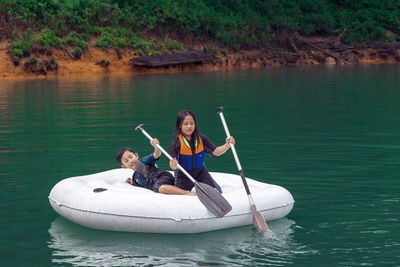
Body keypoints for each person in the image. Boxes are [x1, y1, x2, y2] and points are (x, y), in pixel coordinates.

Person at [169, 109, 235, 193]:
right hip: (184, 175)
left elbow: (216, 151)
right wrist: (173, 164)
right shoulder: (176, 142)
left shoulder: (201, 138)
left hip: (200, 172)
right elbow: (172, 165)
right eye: (185, 124)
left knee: (217, 192)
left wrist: (227, 145)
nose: (189, 126)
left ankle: (209, 184)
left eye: (191, 123)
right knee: (181, 196)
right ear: (179, 125)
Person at [116, 138, 195, 196]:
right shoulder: (135, 178)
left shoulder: (144, 161)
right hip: (157, 184)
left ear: (136, 155)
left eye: (131, 157)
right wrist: (131, 182)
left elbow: (156, 154)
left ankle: (187, 194)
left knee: (158, 188)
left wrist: (157, 147)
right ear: (124, 166)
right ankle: (181, 190)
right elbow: (139, 184)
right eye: (126, 161)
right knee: (156, 187)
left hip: (163, 177)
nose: (130, 161)